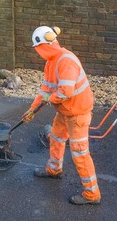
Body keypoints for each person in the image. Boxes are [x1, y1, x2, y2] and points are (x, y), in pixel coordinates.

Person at [23, 26, 101, 205]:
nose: (37, 52)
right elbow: (45, 92)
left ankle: (92, 194)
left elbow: (65, 92)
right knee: (56, 138)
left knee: (80, 153)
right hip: (65, 111)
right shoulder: (51, 62)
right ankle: (54, 170)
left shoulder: (65, 61)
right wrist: (31, 111)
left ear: (43, 46)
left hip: (78, 113)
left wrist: (50, 99)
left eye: (37, 49)